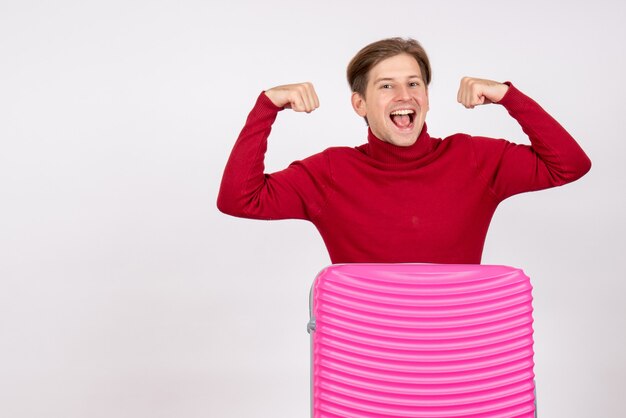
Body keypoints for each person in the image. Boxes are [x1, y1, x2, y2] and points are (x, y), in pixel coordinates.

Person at [217, 37, 591, 264]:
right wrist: (266, 106)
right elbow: (239, 200)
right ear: (359, 104)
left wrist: (509, 97)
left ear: (426, 97)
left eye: (414, 83)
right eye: (386, 86)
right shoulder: (330, 172)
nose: (404, 96)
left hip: (460, 356)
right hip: (366, 362)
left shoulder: (473, 158)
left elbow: (569, 165)